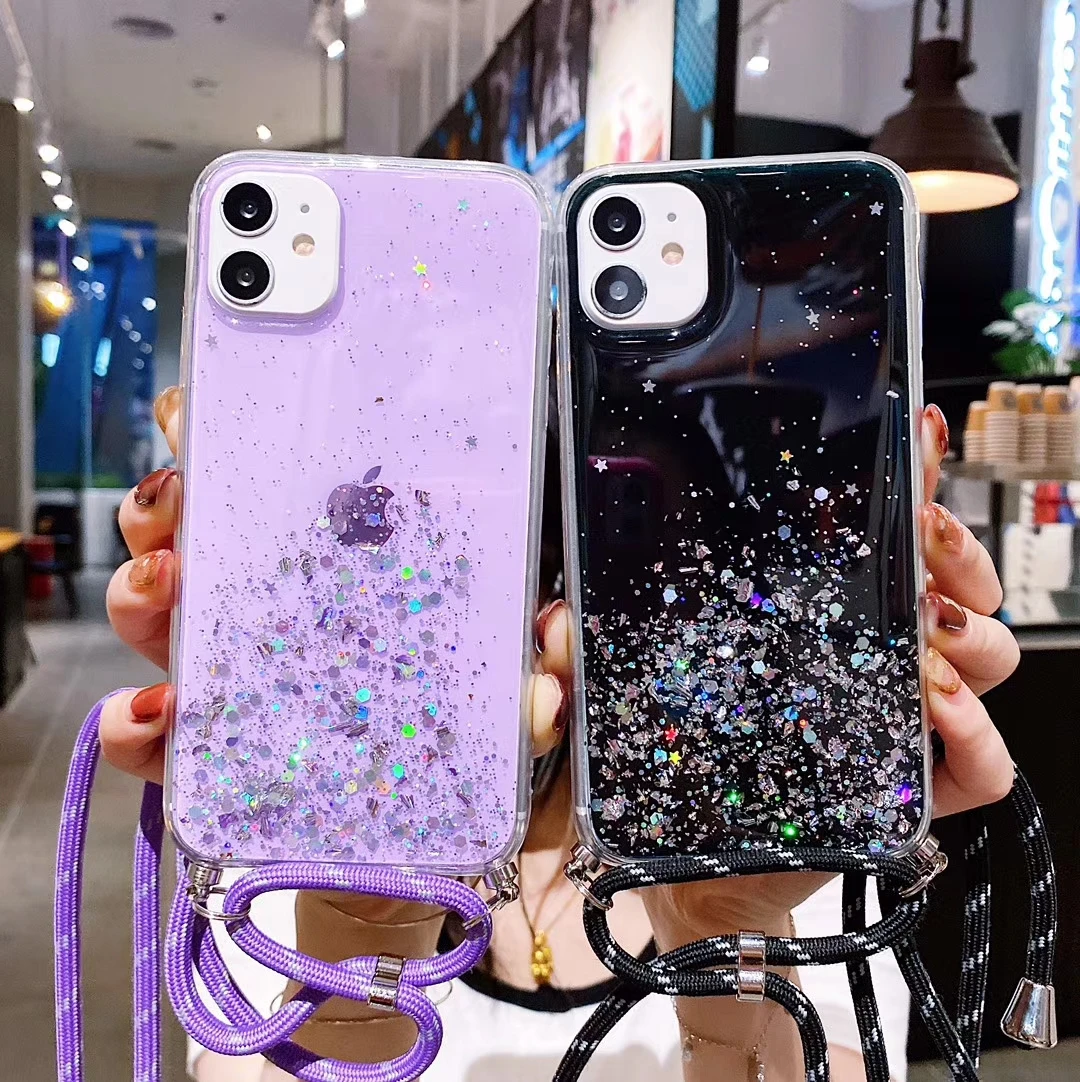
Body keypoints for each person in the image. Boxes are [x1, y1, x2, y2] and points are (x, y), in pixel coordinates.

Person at [101, 389, 1017, 1082]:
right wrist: (360, 917)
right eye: (546, 557)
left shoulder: (792, 836)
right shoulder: (304, 826)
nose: (580, 618)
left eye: (642, 550)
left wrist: (730, 938)